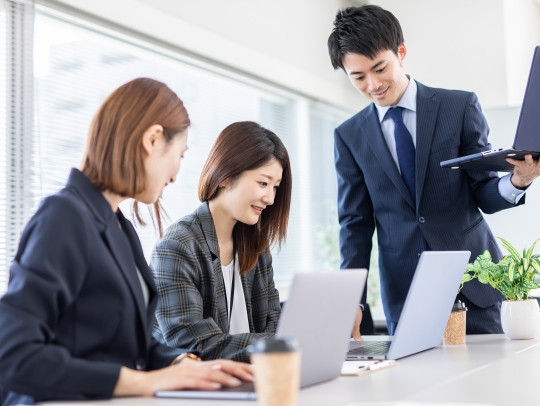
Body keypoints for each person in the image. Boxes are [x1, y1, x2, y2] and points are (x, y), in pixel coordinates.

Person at [0, 78, 252, 406]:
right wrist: (146, 382)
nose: (176, 175)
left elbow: (130, 345)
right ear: (152, 139)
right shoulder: (63, 216)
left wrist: (183, 364)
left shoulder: (120, 226)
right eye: (180, 154)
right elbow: (14, 354)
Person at [327, 5, 540, 338]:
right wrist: (350, 301)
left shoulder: (458, 107)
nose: (373, 84)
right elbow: (355, 225)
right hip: (407, 293)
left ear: (401, 52)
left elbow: (482, 192)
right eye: (358, 77)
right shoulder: (349, 135)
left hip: (475, 282)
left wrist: (519, 180)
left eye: (380, 68)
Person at [152, 121, 291, 362]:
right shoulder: (177, 245)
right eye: (263, 183)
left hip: (251, 379)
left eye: (275, 187)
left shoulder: (257, 246)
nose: (270, 198)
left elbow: (274, 322)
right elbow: (191, 343)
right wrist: (275, 343)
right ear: (225, 175)